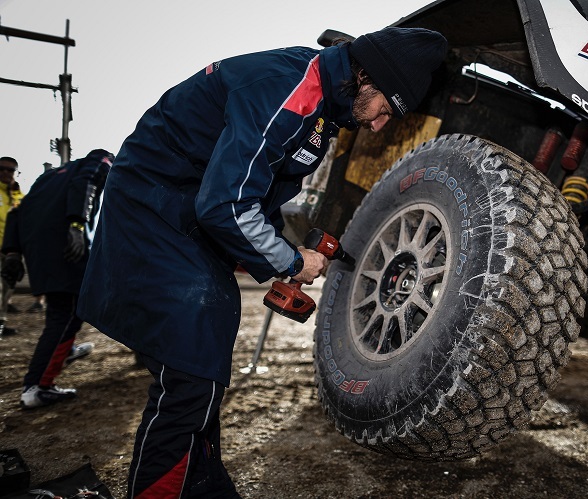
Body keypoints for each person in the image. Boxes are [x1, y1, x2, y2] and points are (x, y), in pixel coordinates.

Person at [77, 26, 447, 498]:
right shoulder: (292, 89)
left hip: (186, 216)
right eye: (385, 110)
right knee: (189, 374)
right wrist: (291, 260)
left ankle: (202, 486)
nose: (379, 124)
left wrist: (277, 254)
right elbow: (225, 204)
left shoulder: (322, 107)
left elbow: (252, 190)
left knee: (206, 361)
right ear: (367, 78)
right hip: (156, 210)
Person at [1, 149, 114, 408]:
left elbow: (19, 211)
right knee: (66, 315)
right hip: (66, 245)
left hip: (38, 249)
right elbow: (86, 183)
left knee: (62, 313)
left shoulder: (47, 177)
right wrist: (77, 224)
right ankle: (37, 387)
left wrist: (12, 252)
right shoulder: (102, 159)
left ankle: (63, 350)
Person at [0, 156, 24, 336]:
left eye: (10, 170)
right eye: (1, 169)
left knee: (7, 290)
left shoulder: (20, 197)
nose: (5, 172)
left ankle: (1, 323)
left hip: (11, 253)